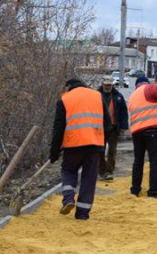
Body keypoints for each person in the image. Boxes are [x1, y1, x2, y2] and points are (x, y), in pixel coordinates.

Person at [50, 77, 111, 220]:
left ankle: (69, 199)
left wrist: (54, 152)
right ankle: (82, 213)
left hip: (73, 145)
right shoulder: (97, 96)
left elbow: (58, 129)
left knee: (68, 170)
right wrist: (100, 140)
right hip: (94, 145)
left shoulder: (65, 99)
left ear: (68, 86)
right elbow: (108, 123)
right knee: (89, 178)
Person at [128, 76, 157, 198]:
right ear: (146, 83)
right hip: (151, 131)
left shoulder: (133, 96)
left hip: (137, 132)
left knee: (138, 161)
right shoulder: (148, 89)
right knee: (154, 161)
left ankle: (135, 190)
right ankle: (152, 192)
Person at [97, 76, 129, 181]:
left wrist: (124, 127)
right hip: (100, 128)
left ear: (112, 85)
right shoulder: (96, 95)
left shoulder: (118, 96)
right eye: (106, 85)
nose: (108, 87)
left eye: (110, 85)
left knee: (112, 150)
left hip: (113, 128)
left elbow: (124, 112)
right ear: (103, 84)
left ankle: (109, 171)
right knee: (100, 151)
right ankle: (101, 171)